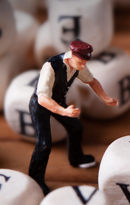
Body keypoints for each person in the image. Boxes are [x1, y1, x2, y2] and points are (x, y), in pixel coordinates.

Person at [28, 40, 118, 194]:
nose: (83, 66)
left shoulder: (78, 64)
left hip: (60, 103)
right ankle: (35, 179)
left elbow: (92, 81)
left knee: (76, 127)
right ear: (71, 56)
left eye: (85, 62)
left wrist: (104, 97)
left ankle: (76, 158)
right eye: (81, 62)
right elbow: (42, 98)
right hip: (40, 106)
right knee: (44, 144)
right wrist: (63, 112)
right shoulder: (51, 66)